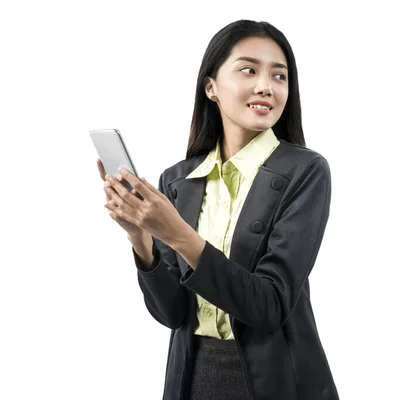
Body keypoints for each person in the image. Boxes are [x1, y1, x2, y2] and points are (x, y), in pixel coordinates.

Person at [97, 19, 339, 400]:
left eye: (280, 76)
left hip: (275, 383)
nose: (266, 86)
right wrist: (141, 238)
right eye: (249, 70)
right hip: (192, 379)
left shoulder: (305, 172)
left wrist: (177, 233)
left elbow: (269, 307)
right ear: (211, 87)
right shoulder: (179, 180)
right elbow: (173, 314)